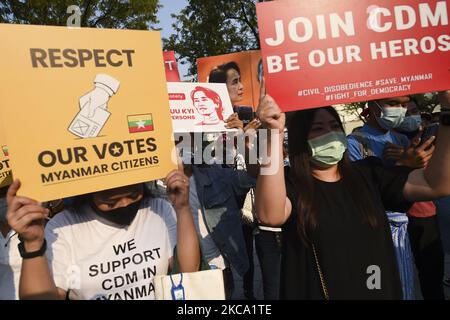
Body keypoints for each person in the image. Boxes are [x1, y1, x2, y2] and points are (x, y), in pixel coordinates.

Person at [254, 87, 450, 299]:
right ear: (301, 138)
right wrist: (272, 132)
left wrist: (447, 111)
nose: (329, 133)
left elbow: (436, 184)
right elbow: (269, 214)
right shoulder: (291, 183)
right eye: (318, 128)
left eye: (334, 125)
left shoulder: (370, 173)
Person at [5, 169, 200, 300]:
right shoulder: (64, 227)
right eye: (110, 202)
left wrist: (182, 208)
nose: (124, 204)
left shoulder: (158, 209)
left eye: (133, 195)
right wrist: (33, 245)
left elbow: (189, 272)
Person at [346, 96, 426, 299]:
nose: (400, 109)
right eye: (393, 104)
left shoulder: (401, 139)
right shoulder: (355, 143)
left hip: (403, 229)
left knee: (405, 286)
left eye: (403, 104)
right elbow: (361, 193)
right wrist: (403, 165)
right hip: (373, 230)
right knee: (378, 288)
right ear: (373, 106)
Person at [175, 114, 256, 299]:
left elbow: (252, 178)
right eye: (178, 136)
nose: (185, 141)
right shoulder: (156, 190)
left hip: (217, 269)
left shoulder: (215, 173)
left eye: (191, 135)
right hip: (178, 274)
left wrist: (244, 140)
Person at [387, 98, 445, 299]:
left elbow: (437, 176)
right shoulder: (391, 139)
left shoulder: (428, 135)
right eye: (403, 109)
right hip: (398, 218)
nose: (408, 114)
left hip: (425, 214)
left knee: (432, 274)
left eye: (412, 110)